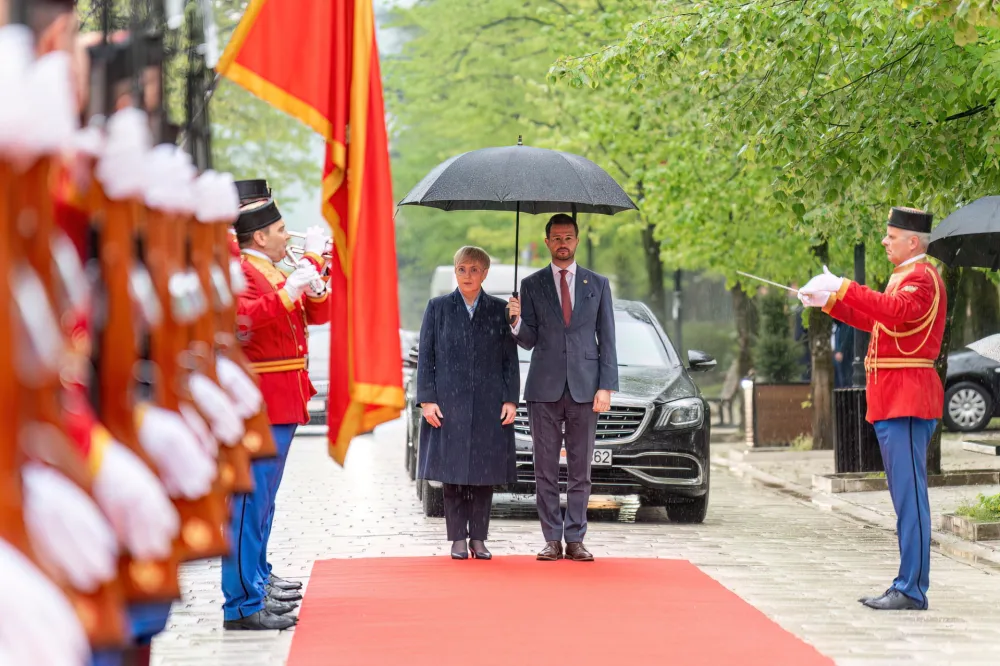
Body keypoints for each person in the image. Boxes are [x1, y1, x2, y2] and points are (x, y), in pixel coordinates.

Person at [798, 206, 945, 611]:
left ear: (912, 242)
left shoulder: (922, 277)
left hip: (908, 398)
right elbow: (879, 321)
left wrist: (844, 286)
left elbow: (892, 312)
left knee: (910, 499)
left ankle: (911, 588)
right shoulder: (905, 276)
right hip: (895, 397)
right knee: (904, 497)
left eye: (891, 236)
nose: (884, 241)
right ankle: (907, 583)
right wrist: (830, 302)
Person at [222, 188, 331, 630]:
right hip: (260, 399)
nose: (289, 236)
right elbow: (245, 320)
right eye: (282, 230)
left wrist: (316, 282)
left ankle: (257, 581)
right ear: (261, 236)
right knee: (249, 503)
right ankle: (242, 603)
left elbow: (315, 317)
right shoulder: (241, 272)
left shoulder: (270, 268)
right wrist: (296, 282)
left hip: (282, 395)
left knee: (263, 502)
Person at [507, 214, 617, 562]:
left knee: (581, 470)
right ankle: (552, 539)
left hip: (585, 388)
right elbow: (528, 340)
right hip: (544, 388)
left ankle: (576, 539)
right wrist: (515, 321)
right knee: (545, 469)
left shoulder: (597, 284)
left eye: (568, 237)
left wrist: (606, 386)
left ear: (577, 241)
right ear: (547, 243)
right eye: (556, 238)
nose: (563, 243)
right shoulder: (531, 284)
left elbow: (607, 338)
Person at [416, 246, 519, 560]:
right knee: (453, 472)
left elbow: (509, 359)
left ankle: (479, 538)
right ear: (455, 271)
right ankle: (458, 538)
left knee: (483, 475)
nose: (468, 275)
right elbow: (426, 357)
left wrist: (510, 399)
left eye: (475, 270)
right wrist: (427, 400)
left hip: (489, 403)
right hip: (449, 403)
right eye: (462, 269)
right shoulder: (438, 308)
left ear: (485, 273)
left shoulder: (500, 310)